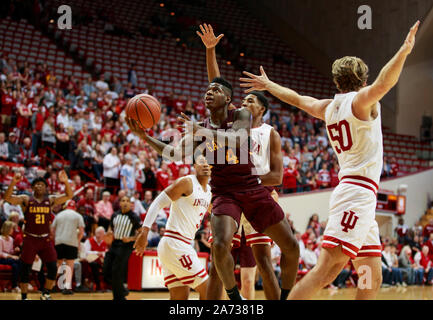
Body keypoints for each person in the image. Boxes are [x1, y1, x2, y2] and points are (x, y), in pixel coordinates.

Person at [240, 21, 420, 299]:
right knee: (327, 270)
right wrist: (404, 51)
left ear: (336, 81)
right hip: (356, 193)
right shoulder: (362, 102)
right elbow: (386, 81)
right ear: (362, 81)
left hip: (360, 197)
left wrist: (269, 85)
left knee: (371, 273)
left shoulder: (327, 107)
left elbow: (298, 99)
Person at [127, 77, 299, 301]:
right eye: (207, 89)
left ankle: (284, 296)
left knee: (292, 247)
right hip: (224, 193)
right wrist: (145, 137)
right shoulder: (201, 127)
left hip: (251, 187)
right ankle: (234, 297)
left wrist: (201, 131)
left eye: (215, 89)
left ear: (227, 99)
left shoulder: (241, 115)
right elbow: (175, 153)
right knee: (219, 244)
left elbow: (237, 139)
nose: (209, 92)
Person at [196, 23, 296, 300]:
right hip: (230, 195)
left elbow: (277, 177)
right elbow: (217, 84)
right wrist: (211, 51)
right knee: (219, 261)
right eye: (242, 100)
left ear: (261, 109)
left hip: (257, 194)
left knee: (263, 261)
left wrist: (247, 182)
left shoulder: (269, 133)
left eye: (250, 100)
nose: (243, 104)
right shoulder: (234, 122)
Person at [134, 155, 212, 300]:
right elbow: (158, 202)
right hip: (175, 243)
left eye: (208, 161)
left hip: (181, 245)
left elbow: (217, 214)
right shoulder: (187, 182)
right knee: (210, 291)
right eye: (201, 161)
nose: (206, 164)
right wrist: (145, 232)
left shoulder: (209, 192)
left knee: (179, 297)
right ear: (194, 166)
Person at [4, 170, 73, 300]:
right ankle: (24, 296)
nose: (39, 186)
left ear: (46, 187)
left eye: (42, 184)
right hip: (30, 238)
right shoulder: (26, 199)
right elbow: (7, 198)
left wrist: (65, 182)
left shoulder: (51, 200)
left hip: (45, 239)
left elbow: (69, 195)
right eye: (36, 184)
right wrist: (13, 183)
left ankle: (46, 293)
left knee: (53, 267)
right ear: (32, 187)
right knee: (25, 269)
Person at [103, 195, 141, 300]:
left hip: (126, 246)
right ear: (119, 203)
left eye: (127, 201)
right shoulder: (115, 215)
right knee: (106, 270)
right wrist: (109, 231)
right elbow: (111, 227)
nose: (125, 202)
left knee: (117, 271)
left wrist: (130, 238)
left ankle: (119, 297)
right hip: (114, 244)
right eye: (123, 200)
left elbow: (141, 234)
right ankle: (122, 290)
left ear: (130, 204)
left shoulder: (134, 217)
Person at [51, 200, 85, 295]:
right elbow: (81, 231)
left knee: (58, 264)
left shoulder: (59, 215)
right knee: (69, 265)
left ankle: (51, 285)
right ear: (75, 207)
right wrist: (77, 241)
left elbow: (52, 230)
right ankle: (66, 287)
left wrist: (55, 240)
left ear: (65, 206)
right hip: (71, 242)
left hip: (59, 241)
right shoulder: (78, 216)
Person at [84, 226, 108, 292]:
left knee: (110, 265)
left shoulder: (104, 242)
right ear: (95, 233)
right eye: (97, 233)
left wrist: (102, 254)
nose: (98, 235)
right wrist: (97, 253)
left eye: (100, 233)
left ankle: (109, 286)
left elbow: (106, 252)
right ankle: (98, 286)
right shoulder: (89, 241)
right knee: (94, 265)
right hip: (90, 261)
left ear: (104, 235)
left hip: (102, 262)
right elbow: (85, 252)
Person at [0, 221, 21, 292]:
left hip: (8, 259)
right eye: (12, 229)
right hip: (1, 259)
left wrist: (15, 250)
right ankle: (17, 284)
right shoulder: (0, 239)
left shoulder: (11, 239)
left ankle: (13, 285)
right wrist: (11, 256)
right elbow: (0, 253)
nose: (13, 230)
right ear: (7, 229)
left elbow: (11, 251)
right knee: (18, 261)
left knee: (15, 266)